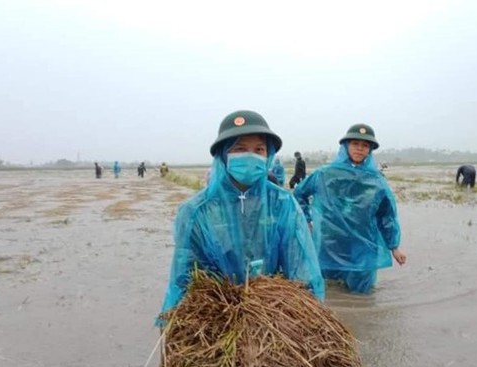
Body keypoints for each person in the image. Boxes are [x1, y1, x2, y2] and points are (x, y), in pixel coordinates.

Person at [161, 110, 324, 316]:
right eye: (239, 148)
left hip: (269, 310)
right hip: (215, 310)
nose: (250, 155)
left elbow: (300, 264)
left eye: (258, 149)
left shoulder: (282, 203)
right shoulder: (196, 210)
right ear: (223, 154)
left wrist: (306, 313)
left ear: (268, 155)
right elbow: (184, 277)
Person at [294, 123, 406, 294]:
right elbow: (299, 194)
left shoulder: (376, 180)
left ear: (370, 150)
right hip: (330, 241)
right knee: (327, 289)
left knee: (362, 293)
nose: (360, 149)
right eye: (355, 144)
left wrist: (394, 246)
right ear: (346, 146)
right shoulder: (325, 174)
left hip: (363, 243)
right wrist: (307, 220)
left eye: (365, 145)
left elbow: (386, 215)